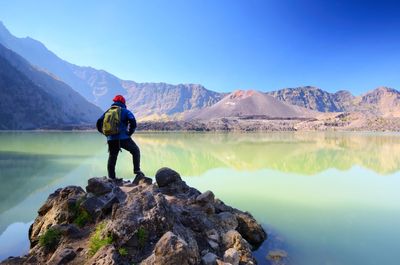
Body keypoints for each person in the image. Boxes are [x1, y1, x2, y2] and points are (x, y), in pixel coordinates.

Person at [97, 95, 144, 180]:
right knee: (135, 151)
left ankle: (112, 178)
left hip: (111, 139)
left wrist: (106, 134)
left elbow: (98, 122)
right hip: (123, 138)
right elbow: (133, 123)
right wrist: (129, 133)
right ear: (123, 102)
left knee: (112, 157)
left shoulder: (108, 112)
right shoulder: (125, 111)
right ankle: (137, 170)